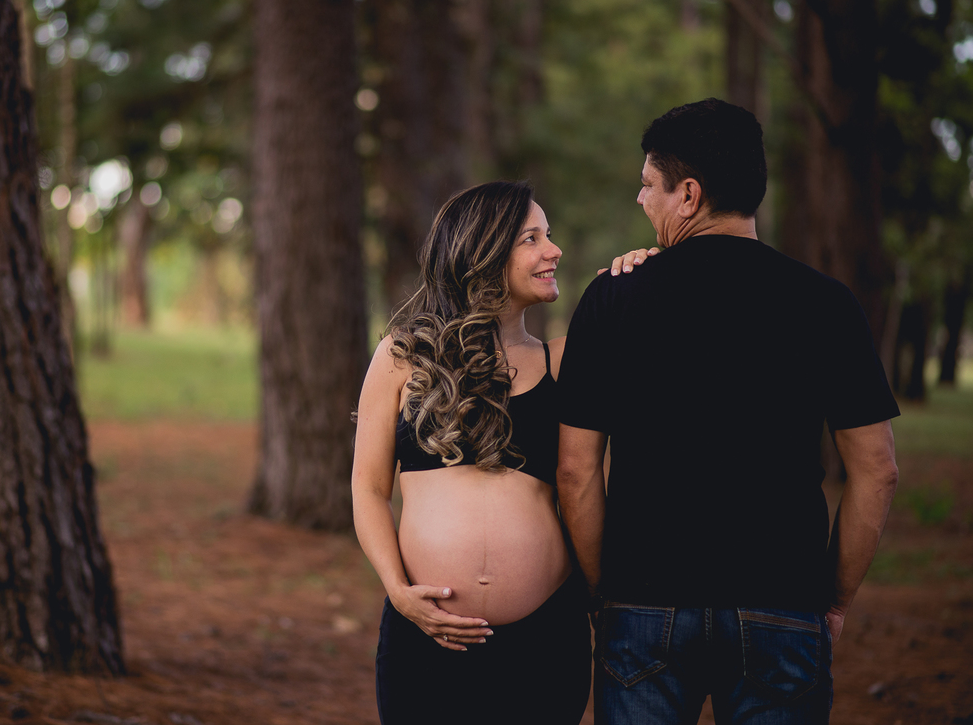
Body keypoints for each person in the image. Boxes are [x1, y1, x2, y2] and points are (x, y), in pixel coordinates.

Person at [556, 98, 900, 724]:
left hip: (645, 606)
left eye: (649, 185)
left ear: (688, 195)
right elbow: (877, 469)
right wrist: (833, 600)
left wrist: (608, 593)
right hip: (783, 604)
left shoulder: (612, 299)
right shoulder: (827, 304)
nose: (641, 200)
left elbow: (576, 471)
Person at [353, 181, 641, 724]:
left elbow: (657, 333)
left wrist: (635, 276)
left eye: (548, 235)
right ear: (482, 253)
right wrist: (397, 590)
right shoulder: (401, 357)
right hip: (425, 639)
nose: (553, 250)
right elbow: (368, 488)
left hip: (545, 639)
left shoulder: (565, 359)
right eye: (532, 239)